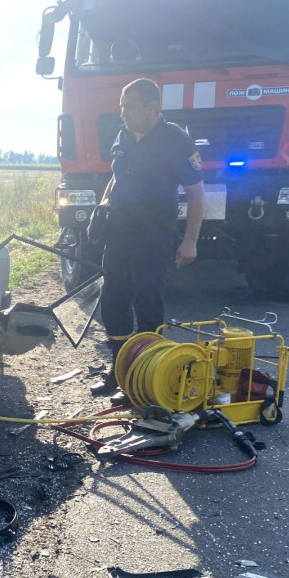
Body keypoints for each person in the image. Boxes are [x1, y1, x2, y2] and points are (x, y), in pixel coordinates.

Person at [90, 78, 205, 398]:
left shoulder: (177, 141)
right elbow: (117, 175)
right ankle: (118, 372)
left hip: (153, 236)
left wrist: (190, 240)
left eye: (129, 107)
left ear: (152, 108)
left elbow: (196, 195)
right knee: (113, 304)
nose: (122, 113)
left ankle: (143, 377)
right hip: (119, 234)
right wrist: (103, 202)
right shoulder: (123, 135)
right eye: (121, 106)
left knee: (148, 305)